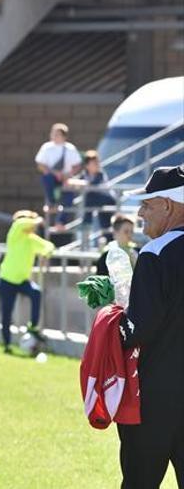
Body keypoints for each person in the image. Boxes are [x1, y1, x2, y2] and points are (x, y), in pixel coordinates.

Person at [116, 166, 184, 488]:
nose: (140, 213)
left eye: (147, 204)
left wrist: (112, 319)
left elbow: (138, 329)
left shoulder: (156, 253)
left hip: (155, 399)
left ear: (169, 205)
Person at [0, 210, 55, 353]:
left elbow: (49, 246)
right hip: (7, 280)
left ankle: (32, 326)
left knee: (36, 293)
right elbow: (20, 223)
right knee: (6, 314)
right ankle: (7, 344)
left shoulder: (32, 239)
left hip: (22, 281)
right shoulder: (15, 235)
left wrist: (45, 255)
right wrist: (37, 219)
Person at [34, 123, 82, 231]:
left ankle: (60, 222)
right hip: (52, 178)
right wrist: (55, 173)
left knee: (68, 198)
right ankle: (51, 203)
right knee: (46, 178)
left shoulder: (70, 148)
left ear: (64, 136)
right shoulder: (46, 147)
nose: (54, 136)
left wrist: (67, 175)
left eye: (57, 134)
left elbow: (77, 165)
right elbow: (41, 165)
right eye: (53, 133)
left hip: (66, 178)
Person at [68, 150, 116, 232]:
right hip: (97, 202)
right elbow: (72, 181)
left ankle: (86, 221)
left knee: (90, 195)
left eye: (97, 163)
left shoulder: (100, 174)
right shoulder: (84, 174)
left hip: (108, 199)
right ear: (87, 165)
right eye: (94, 163)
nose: (97, 165)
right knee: (104, 225)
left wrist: (81, 183)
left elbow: (92, 185)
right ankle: (88, 223)